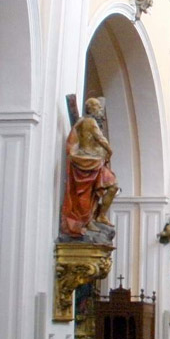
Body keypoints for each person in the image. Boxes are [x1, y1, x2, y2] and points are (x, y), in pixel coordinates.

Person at [60, 97, 119, 237]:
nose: (100, 110)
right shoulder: (89, 122)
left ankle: (100, 216)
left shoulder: (86, 122)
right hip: (87, 162)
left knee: (111, 187)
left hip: (95, 162)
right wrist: (109, 150)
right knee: (87, 194)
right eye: (98, 107)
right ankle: (87, 220)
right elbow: (99, 138)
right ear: (91, 109)